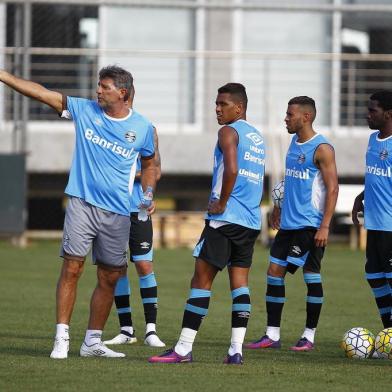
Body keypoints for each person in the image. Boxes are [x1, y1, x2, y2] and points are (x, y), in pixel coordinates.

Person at [0, 65, 157, 359]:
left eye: (104, 86)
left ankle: (92, 342)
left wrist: (148, 192)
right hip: (82, 204)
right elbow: (43, 94)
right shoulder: (84, 110)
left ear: (122, 93)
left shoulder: (144, 128)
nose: (97, 90)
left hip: (119, 212)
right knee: (72, 267)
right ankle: (62, 337)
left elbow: (151, 164)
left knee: (110, 276)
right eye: (98, 85)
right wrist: (4, 76)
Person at [148, 83, 265, 365]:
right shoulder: (257, 137)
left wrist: (222, 202)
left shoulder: (228, 131)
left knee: (201, 280)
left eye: (223, 104)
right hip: (249, 221)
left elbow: (233, 169)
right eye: (216, 103)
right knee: (240, 284)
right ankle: (236, 350)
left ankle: (183, 349)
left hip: (225, 219)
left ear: (239, 108)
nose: (217, 109)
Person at [246, 96, 338, 352]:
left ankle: (308, 335)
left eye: (290, 114)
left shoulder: (322, 149)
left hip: (310, 226)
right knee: (275, 273)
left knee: (306, 275)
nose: (285, 118)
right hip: (288, 225)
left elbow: (332, 189)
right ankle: (272, 335)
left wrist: (325, 227)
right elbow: (290, 182)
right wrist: (278, 206)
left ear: (306, 117)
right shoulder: (294, 143)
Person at [103, 123, 165, 348]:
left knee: (144, 265)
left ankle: (151, 330)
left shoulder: (147, 131)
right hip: (111, 208)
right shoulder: (106, 131)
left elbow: (155, 170)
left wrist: (145, 189)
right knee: (117, 267)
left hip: (138, 209)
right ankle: (126, 329)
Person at [352, 90, 392, 330]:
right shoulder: (372, 140)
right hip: (375, 223)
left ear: (388, 114)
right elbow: (377, 177)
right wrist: (360, 197)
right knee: (375, 277)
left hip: (390, 225)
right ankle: (388, 333)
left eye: (372, 111)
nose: (367, 115)